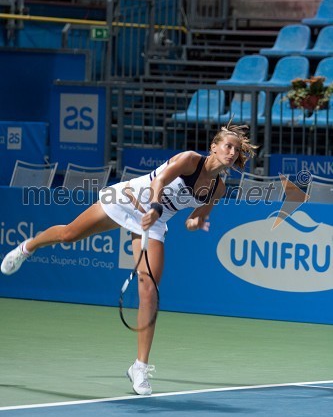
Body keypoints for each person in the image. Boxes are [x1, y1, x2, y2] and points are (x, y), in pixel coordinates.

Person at [1, 122, 257, 396]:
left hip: (156, 222)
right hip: (129, 197)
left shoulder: (217, 188)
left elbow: (196, 218)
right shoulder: (189, 160)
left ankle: (140, 366)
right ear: (214, 147)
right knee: (68, 235)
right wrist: (156, 206)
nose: (231, 152)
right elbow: (159, 181)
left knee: (149, 291)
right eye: (227, 146)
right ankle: (29, 246)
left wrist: (196, 223)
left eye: (236, 149)